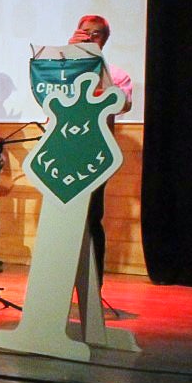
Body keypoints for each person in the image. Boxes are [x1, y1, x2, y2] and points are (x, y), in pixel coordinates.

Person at [69, 14, 133, 279]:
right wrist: (69, 56)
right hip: (65, 149)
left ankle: (93, 285)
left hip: (96, 151)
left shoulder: (117, 74)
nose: (89, 37)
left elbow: (123, 104)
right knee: (65, 219)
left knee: (91, 217)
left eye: (95, 34)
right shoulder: (65, 68)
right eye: (84, 32)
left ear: (104, 39)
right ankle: (60, 282)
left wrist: (96, 67)